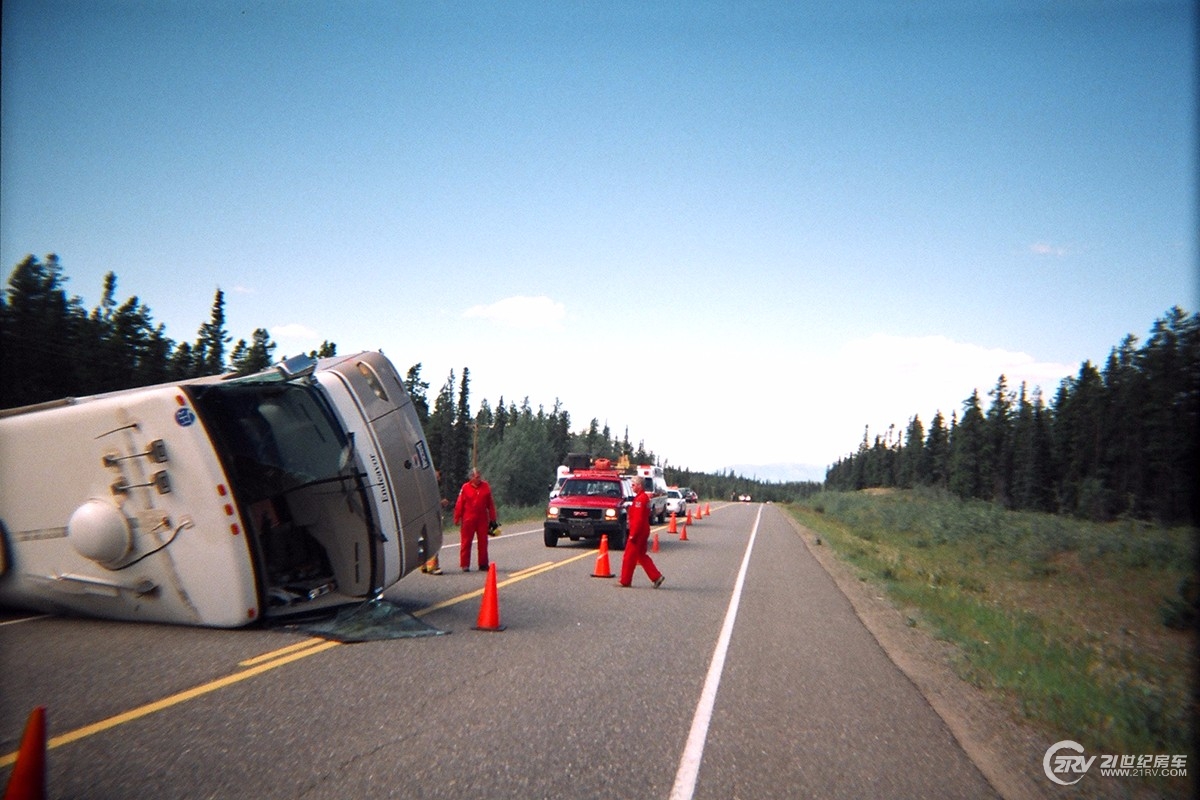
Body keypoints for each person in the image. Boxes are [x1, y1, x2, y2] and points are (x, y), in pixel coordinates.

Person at [619, 476, 665, 588]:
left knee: (629, 557)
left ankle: (625, 580)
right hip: (643, 530)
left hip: (638, 532)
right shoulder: (642, 498)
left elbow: (639, 519)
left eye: (633, 485)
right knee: (641, 555)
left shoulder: (640, 499)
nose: (632, 487)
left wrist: (633, 535)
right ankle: (656, 576)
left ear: (639, 486)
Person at [454, 468, 497, 572]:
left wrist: (493, 519)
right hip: (468, 519)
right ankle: (465, 564)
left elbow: (490, 504)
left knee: (483, 542)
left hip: (482, 519)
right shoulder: (465, 488)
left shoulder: (485, 486)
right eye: (476, 477)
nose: (479, 479)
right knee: (466, 542)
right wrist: (457, 517)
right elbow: (460, 503)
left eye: (479, 476)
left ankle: (483, 564)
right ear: (471, 478)